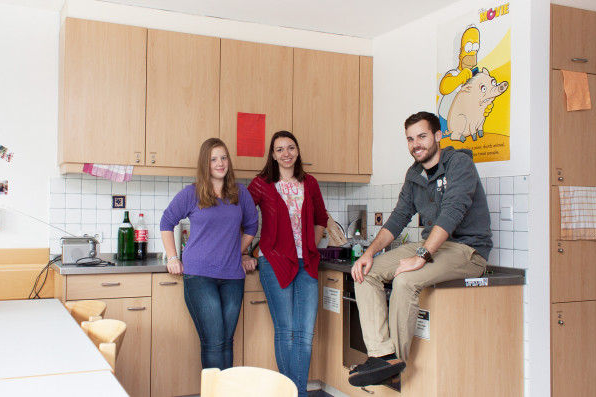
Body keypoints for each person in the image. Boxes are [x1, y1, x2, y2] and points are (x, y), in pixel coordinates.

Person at [348, 111, 492, 387]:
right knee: (365, 273)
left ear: (438, 136)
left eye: (422, 136)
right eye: (411, 139)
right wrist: (368, 254)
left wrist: (422, 256)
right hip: (433, 245)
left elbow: (452, 212)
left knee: (405, 280)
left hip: (467, 250)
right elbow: (398, 218)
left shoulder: (459, 164)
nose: (416, 144)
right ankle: (382, 355)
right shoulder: (414, 174)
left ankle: (392, 366)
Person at [160, 137, 259, 370]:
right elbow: (167, 221)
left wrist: (239, 251)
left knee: (226, 341)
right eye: (214, 159)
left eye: (223, 157)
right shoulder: (192, 193)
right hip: (200, 277)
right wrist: (173, 257)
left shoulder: (240, 193)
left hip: (233, 277)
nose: (220, 163)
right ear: (205, 163)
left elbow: (252, 226)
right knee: (214, 342)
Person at [247, 131, 328, 397]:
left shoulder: (310, 183)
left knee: (304, 333)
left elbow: (321, 219)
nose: (286, 153)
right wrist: (247, 252)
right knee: (286, 330)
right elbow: (244, 218)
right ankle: (289, 393)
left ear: (297, 151)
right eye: (280, 149)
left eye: (291, 147)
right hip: (273, 262)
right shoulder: (261, 184)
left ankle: (298, 393)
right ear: (272, 154)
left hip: (307, 264)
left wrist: (311, 246)